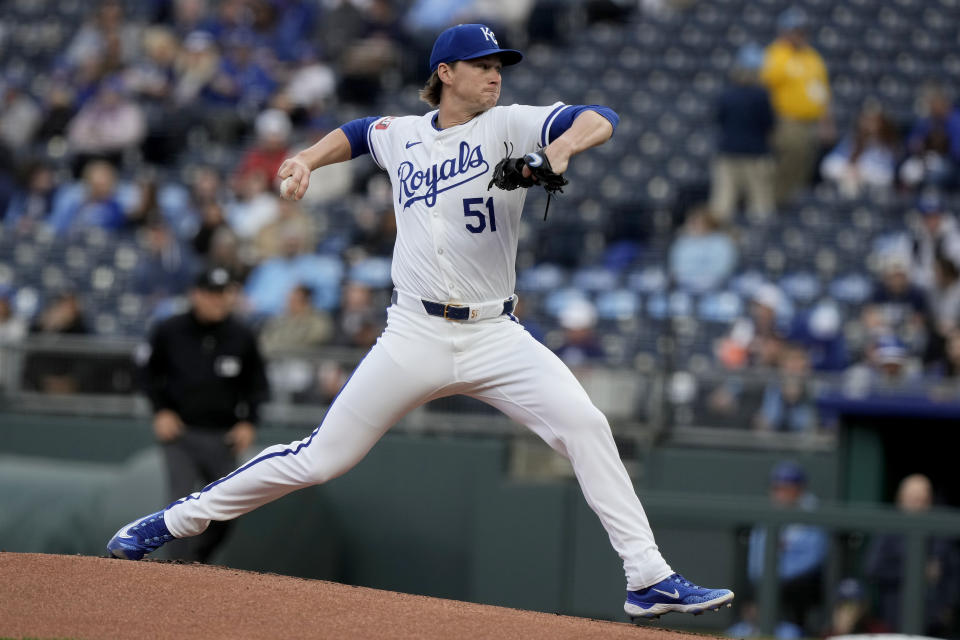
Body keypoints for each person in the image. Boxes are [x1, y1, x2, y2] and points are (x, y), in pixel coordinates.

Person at [106, 23, 734, 620]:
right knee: (320, 460)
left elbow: (604, 118)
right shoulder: (403, 134)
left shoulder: (511, 124)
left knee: (586, 425)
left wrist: (560, 150)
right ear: (445, 73)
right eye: (482, 67)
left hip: (495, 334)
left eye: (499, 67)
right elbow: (356, 132)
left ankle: (647, 579)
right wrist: (305, 158)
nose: (495, 77)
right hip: (415, 333)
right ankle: (174, 521)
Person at [137, 266, 270, 563]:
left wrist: (249, 421)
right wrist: (161, 411)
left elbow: (257, 385)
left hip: (223, 436)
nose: (218, 301)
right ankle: (174, 571)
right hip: (182, 432)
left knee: (227, 510)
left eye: (223, 294)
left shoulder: (241, 335)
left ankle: (199, 563)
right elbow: (147, 374)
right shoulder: (170, 329)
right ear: (195, 295)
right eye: (211, 294)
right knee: (180, 505)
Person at [865, 474, 960, 635]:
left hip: (934, 623)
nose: (919, 505)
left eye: (923, 500)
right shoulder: (888, 530)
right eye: (913, 499)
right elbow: (873, 568)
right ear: (901, 499)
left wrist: (948, 607)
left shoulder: (941, 533)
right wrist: (915, 570)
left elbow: (954, 573)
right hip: (896, 618)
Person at [761, 6, 832, 205]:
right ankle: (775, 201)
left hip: (811, 122)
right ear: (784, 32)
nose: (800, 35)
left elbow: (822, 93)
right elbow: (764, 91)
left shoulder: (812, 56)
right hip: (786, 121)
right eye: (795, 30)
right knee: (787, 162)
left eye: (802, 30)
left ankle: (789, 203)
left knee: (804, 165)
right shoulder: (775, 55)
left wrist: (826, 121)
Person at [747, 460, 828, 634]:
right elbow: (755, 564)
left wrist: (775, 576)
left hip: (799, 596)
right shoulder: (767, 515)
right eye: (777, 488)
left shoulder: (813, 515)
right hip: (764, 589)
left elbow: (813, 560)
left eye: (786, 488)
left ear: (800, 489)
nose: (780, 494)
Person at [709, 43, 776, 223]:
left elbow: (718, 120)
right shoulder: (761, 95)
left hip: (729, 152)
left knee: (723, 204)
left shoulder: (727, 94)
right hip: (755, 154)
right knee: (760, 205)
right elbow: (769, 124)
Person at [819, 103, 900, 198]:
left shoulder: (886, 145)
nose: (868, 125)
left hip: (875, 194)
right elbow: (827, 165)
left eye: (873, 121)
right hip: (846, 185)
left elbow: (887, 175)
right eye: (866, 120)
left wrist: (863, 172)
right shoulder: (851, 141)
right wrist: (848, 170)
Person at [819, 577, 890, 637]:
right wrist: (840, 632)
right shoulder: (827, 636)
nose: (846, 614)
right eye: (842, 607)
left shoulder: (877, 632)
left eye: (852, 608)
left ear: (863, 609)